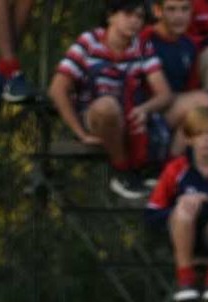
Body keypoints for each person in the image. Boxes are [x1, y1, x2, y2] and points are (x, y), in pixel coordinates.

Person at [48, 0, 174, 200]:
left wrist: (145, 109)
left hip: (130, 114)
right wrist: (80, 134)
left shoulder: (141, 45)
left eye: (139, 17)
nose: (134, 21)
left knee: (192, 108)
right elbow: (57, 89)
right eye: (128, 14)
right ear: (111, 16)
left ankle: (158, 172)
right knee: (107, 107)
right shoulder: (89, 42)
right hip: (94, 115)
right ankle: (122, 172)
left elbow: (164, 93)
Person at [146, 106, 208, 302]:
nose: (206, 140)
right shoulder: (176, 168)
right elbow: (151, 213)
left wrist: (203, 197)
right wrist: (181, 206)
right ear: (189, 139)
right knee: (184, 207)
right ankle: (185, 278)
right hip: (183, 232)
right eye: (199, 134)